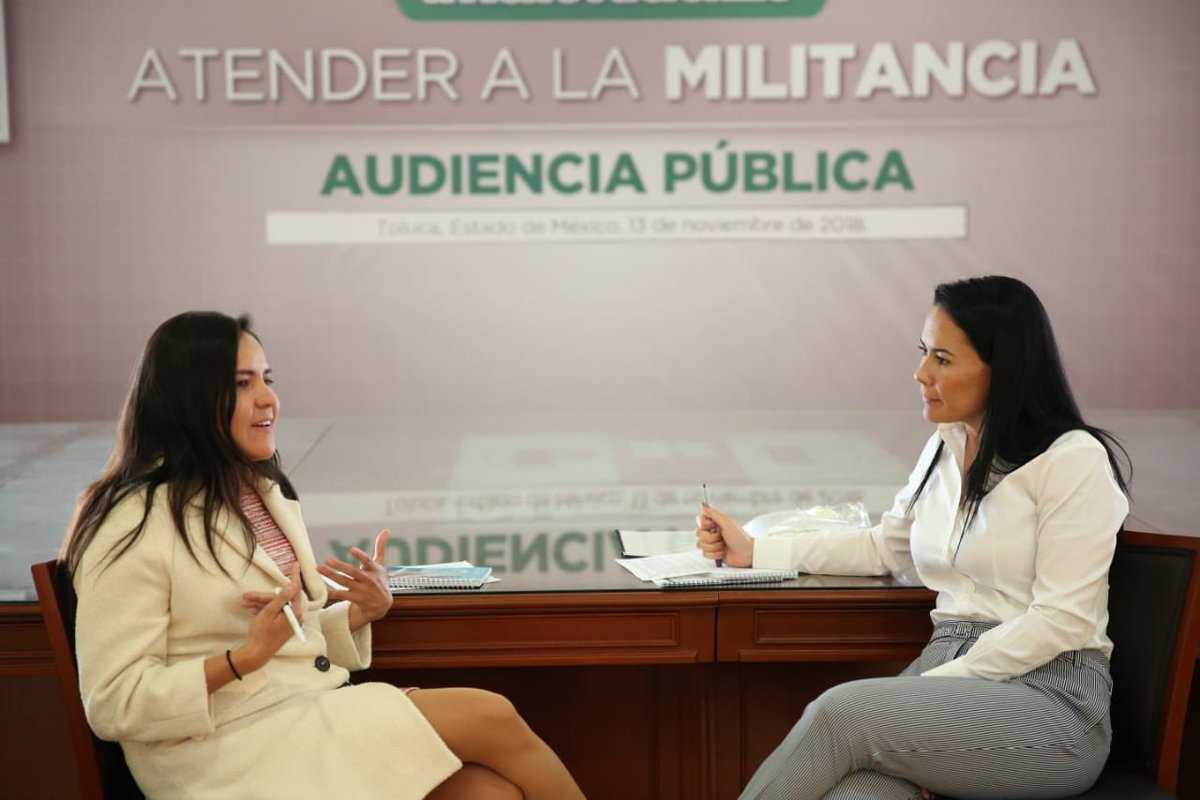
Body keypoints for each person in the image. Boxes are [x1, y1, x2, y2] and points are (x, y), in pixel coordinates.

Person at [63, 311, 586, 800]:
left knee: (488, 794)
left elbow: (287, 639)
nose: (268, 399)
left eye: (267, 378)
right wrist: (243, 659)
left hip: (299, 715)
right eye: (242, 384)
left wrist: (357, 613)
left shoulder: (261, 493)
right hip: (223, 754)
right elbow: (114, 702)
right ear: (188, 400)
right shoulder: (130, 522)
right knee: (489, 715)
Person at [696, 276, 1130, 800]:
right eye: (924, 352)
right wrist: (755, 550)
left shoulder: (1072, 459)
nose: (921, 373)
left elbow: (1063, 620)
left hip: (1050, 702)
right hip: (948, 678)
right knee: (855, 795)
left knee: (840, 713)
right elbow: (885, 548)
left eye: (942, 359)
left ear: (1004, 369)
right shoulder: (944, 447)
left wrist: (934, 688)